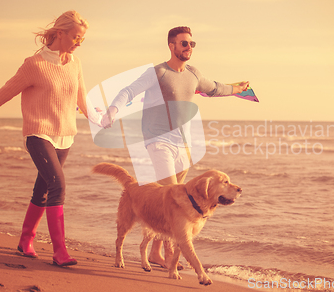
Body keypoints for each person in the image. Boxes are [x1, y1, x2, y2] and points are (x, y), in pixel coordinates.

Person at [0, 10, 101, 266]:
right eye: (76, 37)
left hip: (65, 136)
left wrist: (99, 119)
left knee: (43, 189)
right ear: (60, 33)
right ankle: (60, 252)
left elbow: (82, 98)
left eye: (82, 38)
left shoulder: (75, 64)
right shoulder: (34, 65)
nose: (80, 42)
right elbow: (5, 92)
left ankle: (25, 241)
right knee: (58, 184)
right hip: (39, 134)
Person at [101, 26, 248, 268]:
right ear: (172, 45)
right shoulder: (157, 72)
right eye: (184, 43)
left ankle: (156, 252)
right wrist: (113, 109)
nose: (189, 47)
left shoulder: (193, 73)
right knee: (175, 199)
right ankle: (170, 255)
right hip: (159, 142)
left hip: (184, 146)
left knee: (174, 200)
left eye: (192, 44)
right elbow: (129, 91)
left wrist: (237, 89)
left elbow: (214, 88)